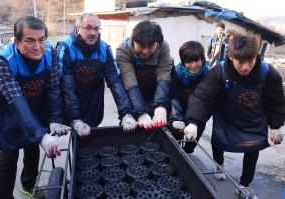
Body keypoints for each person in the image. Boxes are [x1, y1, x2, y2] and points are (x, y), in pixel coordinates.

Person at [184, 33, 284, 198]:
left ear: (256, 57)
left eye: (250, 61)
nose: (246, 67)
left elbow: (276, 101)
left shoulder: (267, 72)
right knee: (219, 141)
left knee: (253, 149)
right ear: (230, 57)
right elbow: (201, 96)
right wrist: (193, 122)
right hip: (227, 116)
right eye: (240, 62)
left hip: (254, 119)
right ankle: (219, 164)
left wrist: (275, 126)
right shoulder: (219, 71)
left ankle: (245, 185)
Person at [0, 16, 70, 199]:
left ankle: (29, 186)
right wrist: (40, 134)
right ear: (17, 42)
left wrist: (55, 119)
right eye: (30, 40)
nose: (37, 46)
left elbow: (53, 87)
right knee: (9, 157)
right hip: (10, 113)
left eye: (41, 40)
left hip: (35, 109)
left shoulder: (51, 53)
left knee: (33, 149)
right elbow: (16, 99)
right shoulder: (3, 61)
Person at [56, 13, 137, 136]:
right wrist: (75, 118)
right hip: (71, 100)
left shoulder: (104, 49)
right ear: (78, 29)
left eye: (96, 29)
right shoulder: (65, 48)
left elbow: (115, 81)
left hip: (94, 102)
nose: (93, 33)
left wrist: (126, 113)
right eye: (88, 28)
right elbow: (66, 86)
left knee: (93, 139)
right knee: (77, 140)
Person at [116, 20, 172, 131]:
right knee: (131, 130)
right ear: (134, 40)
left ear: (157, 42)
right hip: (131, 95)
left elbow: (164, 75)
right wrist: (141, 112)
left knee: (155, 130)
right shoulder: (123, 51)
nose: (145, 51)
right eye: (141, 46)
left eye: (150, 47)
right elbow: (129, 82)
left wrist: (160, 106)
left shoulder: (163, 47)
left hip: (154, 94)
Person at [169, 41, 213, 153]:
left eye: (196, 60)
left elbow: (210, 101)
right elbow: (174, 95)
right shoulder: (176, 71)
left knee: (190, 143)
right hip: (180, 111)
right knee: (175, 142)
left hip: (199, 116)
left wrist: (198, 121)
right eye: (188, 61)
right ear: (183, 61)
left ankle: (188, 154)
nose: (193, 65)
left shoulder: (210, 73)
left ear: (202, 58)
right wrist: (177, 118)